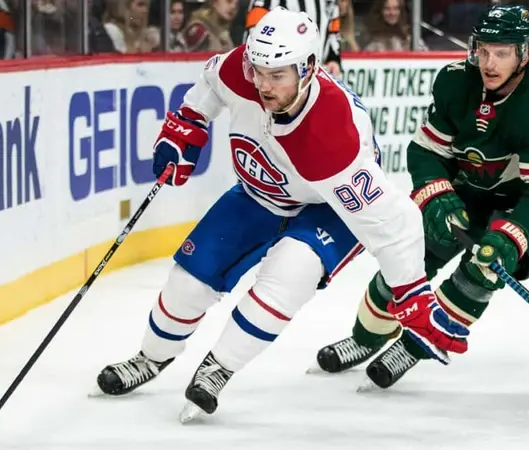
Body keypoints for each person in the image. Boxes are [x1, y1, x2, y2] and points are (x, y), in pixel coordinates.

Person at [94, 8, 469, 422]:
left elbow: (394, 222)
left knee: (290, 275)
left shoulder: (332, 136)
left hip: (327, 209)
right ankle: (150, 358)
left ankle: (219, 368)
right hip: (260, 193)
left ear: (308, 68)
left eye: (277, 75)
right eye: (258, 71)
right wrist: (188, 123)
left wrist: (412, 293)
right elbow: (211, 84)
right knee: (187, 282)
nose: (263, 85)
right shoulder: (243, 70)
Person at [315, 4, 529, 390]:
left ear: (524, 54)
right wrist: (436, 192)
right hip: (477, 185)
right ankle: (366, 338)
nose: (489, 63)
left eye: (502, 53)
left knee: (483, 268)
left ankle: (414, 346)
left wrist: (511, 235)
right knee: (411, 254)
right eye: (483, 50)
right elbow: (426, 150)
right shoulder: (455, 81)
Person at [243, 0, 343, 77]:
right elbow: (255, 36)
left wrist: (333, 58)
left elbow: (333, 27)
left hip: (316, 73)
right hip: (277, 76)